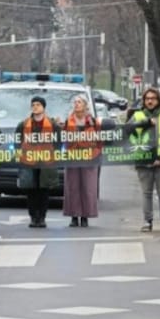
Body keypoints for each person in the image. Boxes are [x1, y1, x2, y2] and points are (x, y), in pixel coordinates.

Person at [127, 87, 160, 232]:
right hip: (143, 161)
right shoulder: (137, 116)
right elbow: (126, 131)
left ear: (158, 100)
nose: (149, 101)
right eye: (147, 98)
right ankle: (147, 221)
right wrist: (146, 123)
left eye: (152, 98)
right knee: (146, 194)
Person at [15, 96, 61, 228]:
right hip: (29, 162)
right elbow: (17, 141)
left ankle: (42, 217)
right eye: (33, 104)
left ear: (43, 107)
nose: (35, 107)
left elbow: (58, 142)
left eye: (38, 105)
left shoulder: (52, 125)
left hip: (46, 162)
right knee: (31, 190)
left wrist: (54, 155)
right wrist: (20, 154)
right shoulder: (23, 124)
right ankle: (33, 216)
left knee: (44, 190)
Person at [62, 95, 101, 227]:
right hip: (73, 158)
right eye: (75, 102)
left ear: (85, 105)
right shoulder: (68, 121)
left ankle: (85, 216)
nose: (76, 104)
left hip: (89, 158)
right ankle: (73, 216)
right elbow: (62, 137)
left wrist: (98, 153)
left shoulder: (93, 122)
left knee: (88, 187)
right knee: (72, 187)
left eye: (79, 102)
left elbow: (100, 139)